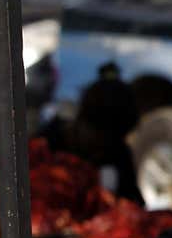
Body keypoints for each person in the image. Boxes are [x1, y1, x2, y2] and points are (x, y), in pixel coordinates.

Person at [42, 63, 143, 205]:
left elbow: (133, 203)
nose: (102, 149)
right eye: (101, 139)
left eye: (112, 141)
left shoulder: (118, 155)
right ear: (83, 122)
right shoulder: (46, 148)